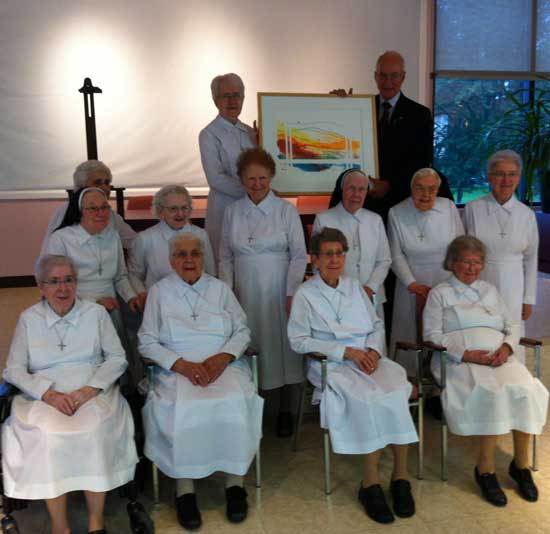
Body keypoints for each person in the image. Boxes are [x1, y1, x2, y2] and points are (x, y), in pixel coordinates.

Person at [288, 227, 418, 525]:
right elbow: (298, 340)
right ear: (315, 259)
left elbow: (375, 325)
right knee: (368, 398)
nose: (334, 259)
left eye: (339, 253)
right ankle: (369, 484)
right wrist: (344, 352)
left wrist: (372, 350)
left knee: (396, 391)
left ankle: (400, 478)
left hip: (369, 360)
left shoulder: (355, 286)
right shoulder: (305, 293)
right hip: (332, 364)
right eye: (327, 254)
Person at [2, 254, 138, 534]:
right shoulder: (29, 319)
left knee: (95, 427)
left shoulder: (96, 314)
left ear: (77, 283)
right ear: (40, 286)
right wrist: (48, 395)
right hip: (43, 395)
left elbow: (117, 358)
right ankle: (60, 526)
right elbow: (13, 369)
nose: (63, 289)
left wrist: (89, 390)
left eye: (69, 280)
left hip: (92, 389)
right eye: (54, 282)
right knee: (47, 434)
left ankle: (95, 523)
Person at [139, 233, 262, 530]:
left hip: (222, 365)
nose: (189, 260)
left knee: (233, 400)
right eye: (181, 255)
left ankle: (235, 484)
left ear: (203, 258)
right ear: (171, 261)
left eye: (195, 253)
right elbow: (146, 341)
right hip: (177, 369)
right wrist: (180, 365)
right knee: (186, 408)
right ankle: (185, 491)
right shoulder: (159, 292)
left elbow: (242, 331)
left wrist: (223, 358)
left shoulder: (220, 289)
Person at [423, 235, 548, 506]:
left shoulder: (490, 290)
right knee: (490, 391)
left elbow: (513, 325)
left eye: (477, 262)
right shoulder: (440, 293)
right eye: (466, 262)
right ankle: (485, 469)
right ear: (452, 263)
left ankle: (521, 465)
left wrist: (506, 347)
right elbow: (431, 335)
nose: (471, 267)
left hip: (498, 357)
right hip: (459, 360)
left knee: (525, 389)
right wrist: (465, 353)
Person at [219, 147, 307, 437]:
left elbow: (298, 255)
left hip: (278, 286)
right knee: (250, 340)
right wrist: (227, 293)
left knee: (279, 343)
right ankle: (252, 405)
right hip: (244, 288)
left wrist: (291, 291)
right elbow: (225, 257)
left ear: (271, 177)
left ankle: (284, 409)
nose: (257, 184)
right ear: (241, 180)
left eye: (262, 178)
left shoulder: (286, 210)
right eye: (250, 179)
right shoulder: (231, 212)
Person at [330, 51, 452, 220]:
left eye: (394, 76)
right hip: (362, 199)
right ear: (375, 76)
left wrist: (388, 185)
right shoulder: (360, 109)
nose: (388, 82)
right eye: (382, 75)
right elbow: (339, 142)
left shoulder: (420, 114)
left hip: (400, 201)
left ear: (403, 77)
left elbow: (422, 162)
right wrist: (338, 106)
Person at [42, 188, 140, 382]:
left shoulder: (112, 236)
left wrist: (131, 297)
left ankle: (123, 386)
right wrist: (93, 302)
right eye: (93, 208)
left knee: (126, 343)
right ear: (80, 211)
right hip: (72, 306)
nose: (101, 213)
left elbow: (120, 276)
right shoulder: (61, 239)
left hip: (111, 304)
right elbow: (54, 286)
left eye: (104, 207)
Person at [464, 150, 539, 361]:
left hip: (514, 286)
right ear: (489, 176)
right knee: (481, 331)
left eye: (512, 174)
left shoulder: (527, 215)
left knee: (511, 333)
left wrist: (528, 299)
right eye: (499, 174)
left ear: (519, 177)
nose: (506, 180)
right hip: (478, 282)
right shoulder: (472, 208)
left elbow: (531, 259)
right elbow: (462, 252)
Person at [388, 168, 463, 372]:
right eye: (420, 188)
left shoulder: (448, 207)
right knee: (411, 332)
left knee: (444, 329)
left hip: (445, 279)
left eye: (431, 189)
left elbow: (460, 245)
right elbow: (395, 254)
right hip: (411, 283)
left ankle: (445, 376)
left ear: (438, 190)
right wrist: (411, 283)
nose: (426, 194)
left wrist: (456, 281)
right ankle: (410, 378)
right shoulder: (396, 212)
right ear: (411, 189)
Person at [313, 168, 391, 320]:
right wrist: (341, 290)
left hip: (372, 297)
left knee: (372, 342)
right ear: (342, 190)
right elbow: (318, 262)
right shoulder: (324, 220)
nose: (356, 194)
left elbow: (384, 260)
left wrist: (369, 288)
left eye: (361, 189)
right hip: (337, 297)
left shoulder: (375, 220)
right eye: (351, 189)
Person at [128, 184, 216, 310]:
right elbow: (134, 275)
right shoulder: (145, 238)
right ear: (160, 211)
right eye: (173, 209)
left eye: (184, 208)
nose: (180, 214)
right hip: (159, 303)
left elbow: (210, 273)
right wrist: (143, 294)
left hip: (197, 303)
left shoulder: (201, 235)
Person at [199, 73, 256, 263]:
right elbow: (216, 178)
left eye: (237, 95)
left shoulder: (251, 132)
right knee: (224, 265)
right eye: (226, 96)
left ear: (243, 98)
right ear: (216, 101)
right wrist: (253, 191)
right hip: (224, 209)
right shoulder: (208, 134)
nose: (233, 101)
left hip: (254, 209)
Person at [40, 160, 136, 255]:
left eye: (107, 183)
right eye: (97, 183)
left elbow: (133, 242)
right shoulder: (65, 211)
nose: (105, 188)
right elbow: (47, 255)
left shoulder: (109, 214)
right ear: (81, 187)